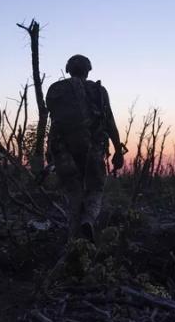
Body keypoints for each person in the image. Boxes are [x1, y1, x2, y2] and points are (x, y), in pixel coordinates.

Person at [45, 54, 125, 241]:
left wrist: (50, 152)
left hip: (63, 150)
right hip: (93, 150)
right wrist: (118, 150)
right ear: (88, 70)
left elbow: (54, 124)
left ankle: (73, 239)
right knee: (95, 189)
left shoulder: (56, 90)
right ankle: (88, 220)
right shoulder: (98, 91)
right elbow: (109, 122)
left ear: (68, 69)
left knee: (73, 192)